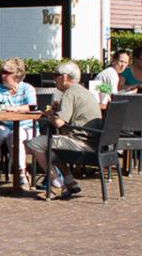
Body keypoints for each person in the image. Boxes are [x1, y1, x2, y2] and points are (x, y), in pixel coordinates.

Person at [25, 61, 102, 199]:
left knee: (35, 144)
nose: (54, 79)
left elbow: (59, 123)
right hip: (94, 141)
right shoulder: (84, 91)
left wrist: (51, 115)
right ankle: (69, 181)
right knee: (50, 147)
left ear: (65, 77)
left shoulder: (69, 93)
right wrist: (56, 110)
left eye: (56, 75)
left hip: (81, 143)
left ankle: (57, 186)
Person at [0, 57, 37, 187]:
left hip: (26, 126)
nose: (2, 75)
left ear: (17, 75)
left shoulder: (27, 88)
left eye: (6, 72)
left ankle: (21, 173)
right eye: (1, 72)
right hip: (5, 124)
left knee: (15, 137)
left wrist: (15, 109)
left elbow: (31, 106)